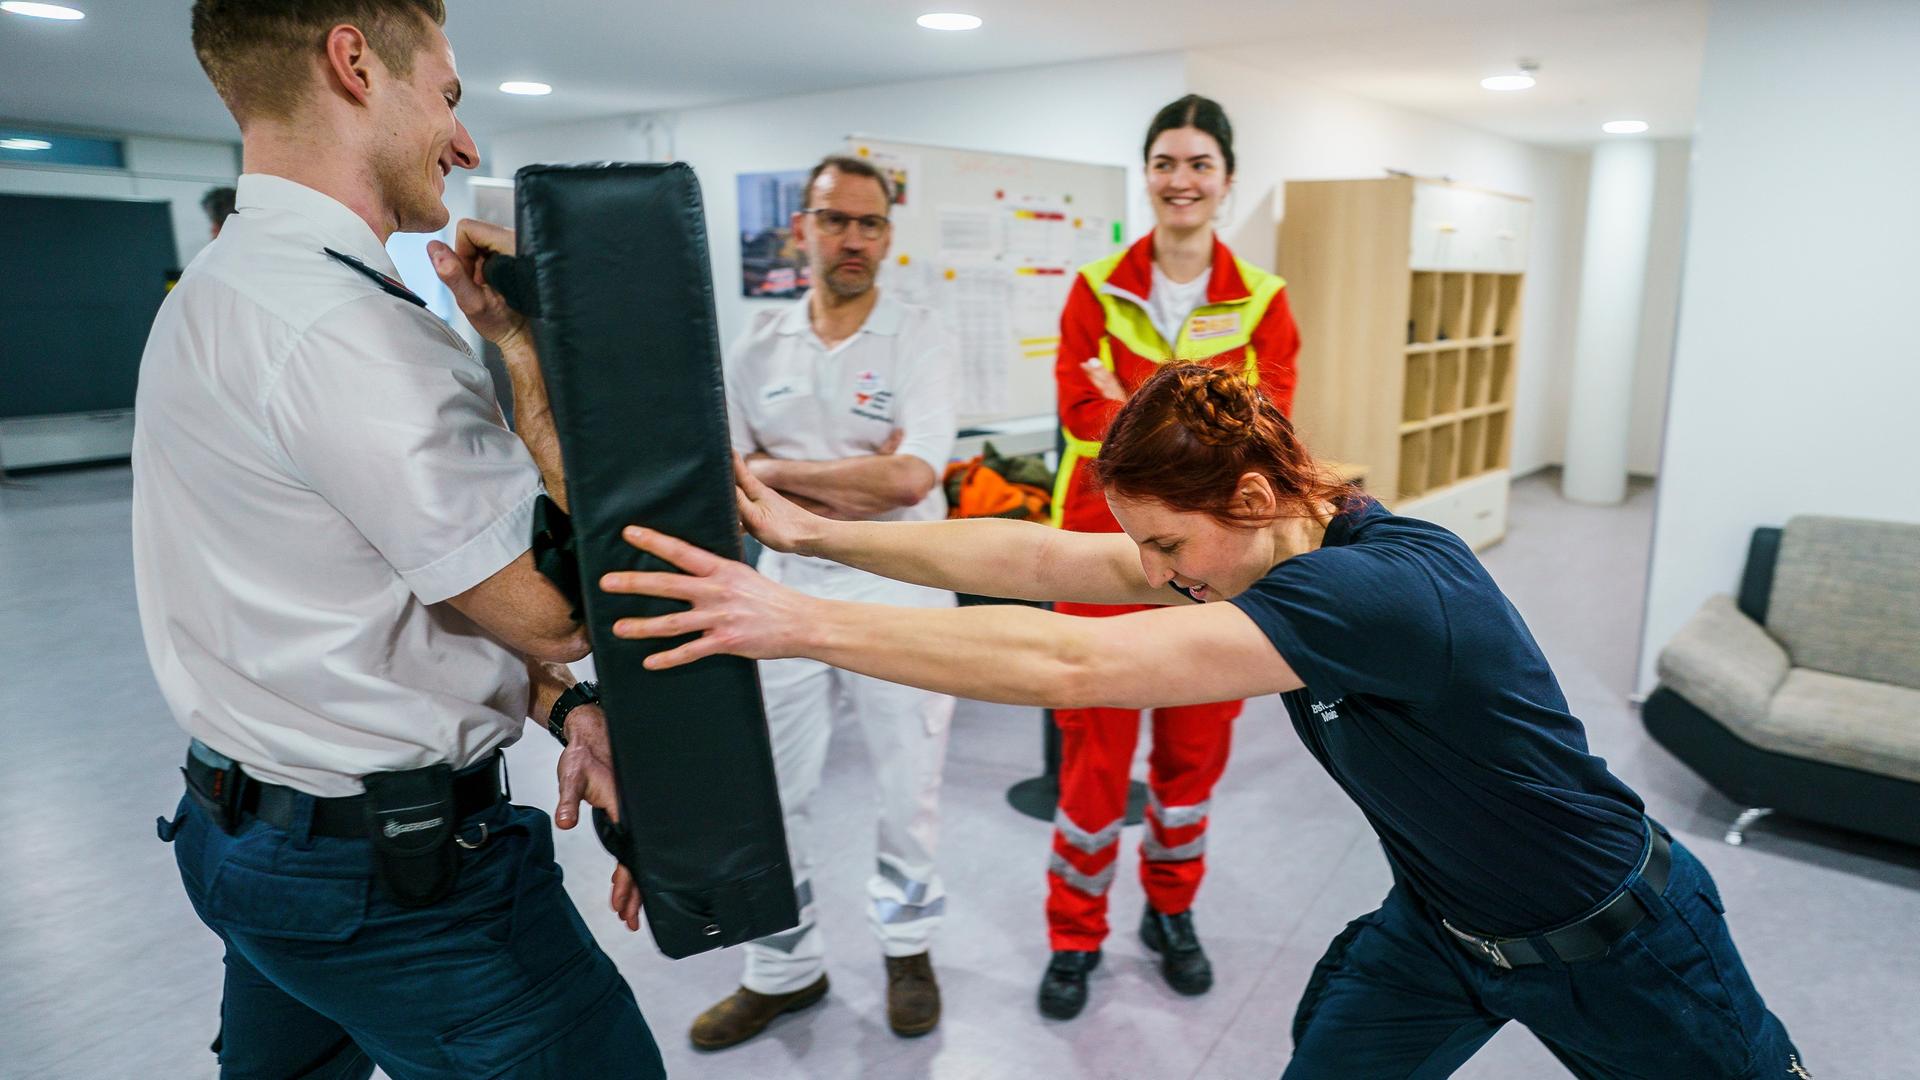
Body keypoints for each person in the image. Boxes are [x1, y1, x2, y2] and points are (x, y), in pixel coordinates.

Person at [601, 364, 1809, 1079]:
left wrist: (795, 619)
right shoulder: (1270, 546)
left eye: (1171, 547)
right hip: (1448, 930)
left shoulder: (1376, 591)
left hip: (1626, 942)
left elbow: (1071, 660)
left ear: (1249, 496)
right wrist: (814, 536)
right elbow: (1040, 557)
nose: (1162, 571)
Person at [135, 3, 662, 1076]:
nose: (465, 145)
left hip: (246, 842)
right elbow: (553, 611)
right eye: (451, 98)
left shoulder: (217, 289)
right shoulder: (348, 330)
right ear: (354, 63)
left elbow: (367, 588)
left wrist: (562, 709)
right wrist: (521, 353)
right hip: (399, 892)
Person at [688, 153, 960, 1050]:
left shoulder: (921, 334)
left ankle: (907, 946)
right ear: (800, 228)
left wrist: (775, 473)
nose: (853, 239)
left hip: (903, 589)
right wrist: (836, 477)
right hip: (785, 590)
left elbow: (910, 476)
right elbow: (725, 478)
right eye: (835, 220)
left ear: (889, 235)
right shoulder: (756, 344)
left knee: (905, 787)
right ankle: (782, 966)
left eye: (871, 223)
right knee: (771, 787)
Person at [1041, 92, 1302, 1018]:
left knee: (1192, 759)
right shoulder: (1094, 287)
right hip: (1100, 554)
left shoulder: (1263, 302)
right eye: (1165, 162)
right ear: (1146, 175)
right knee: (1093, 761)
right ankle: (1074, 934)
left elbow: (1265, 435)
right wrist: (1198, 416)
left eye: (1198, 164)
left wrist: (1134, 402)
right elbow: (1078, 414)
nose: (1180, 180)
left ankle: (1170, 912)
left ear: (1227, 180)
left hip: (1219, 566)